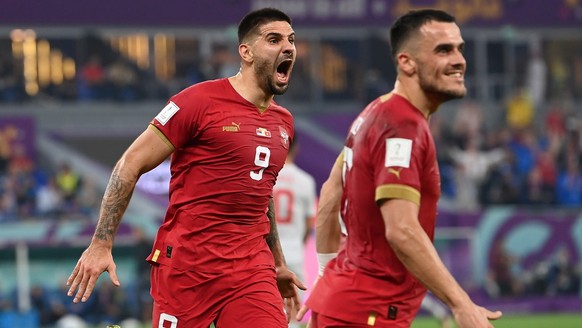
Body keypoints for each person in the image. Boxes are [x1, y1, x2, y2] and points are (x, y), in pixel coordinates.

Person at [66, 7, 305, 328]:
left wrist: (277, 263)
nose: (288, 47)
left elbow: (263, 194)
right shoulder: (197, 102)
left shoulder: (284, 123)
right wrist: (101, 243)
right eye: (274, 39)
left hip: (251, 270)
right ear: (246, 52)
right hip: (188, 267)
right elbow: (129, 164)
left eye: (291, 40)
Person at [297, 9, 502, 328]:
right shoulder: (402, 125)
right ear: (406, 62)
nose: (459, 60)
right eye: (443, 50)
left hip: (346, 304)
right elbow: (402, 230)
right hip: (370, 312)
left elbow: (329, 196)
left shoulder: (373, 113)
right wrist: (461, 304)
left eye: (460, 48)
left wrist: (327, 280)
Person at [272, 136, 317, 327]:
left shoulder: (265, 176)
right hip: (294, 255)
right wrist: (299, 242)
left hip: (266, 255)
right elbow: (309, 223)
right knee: (292, 318)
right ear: (296, 148)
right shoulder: (305, 181)